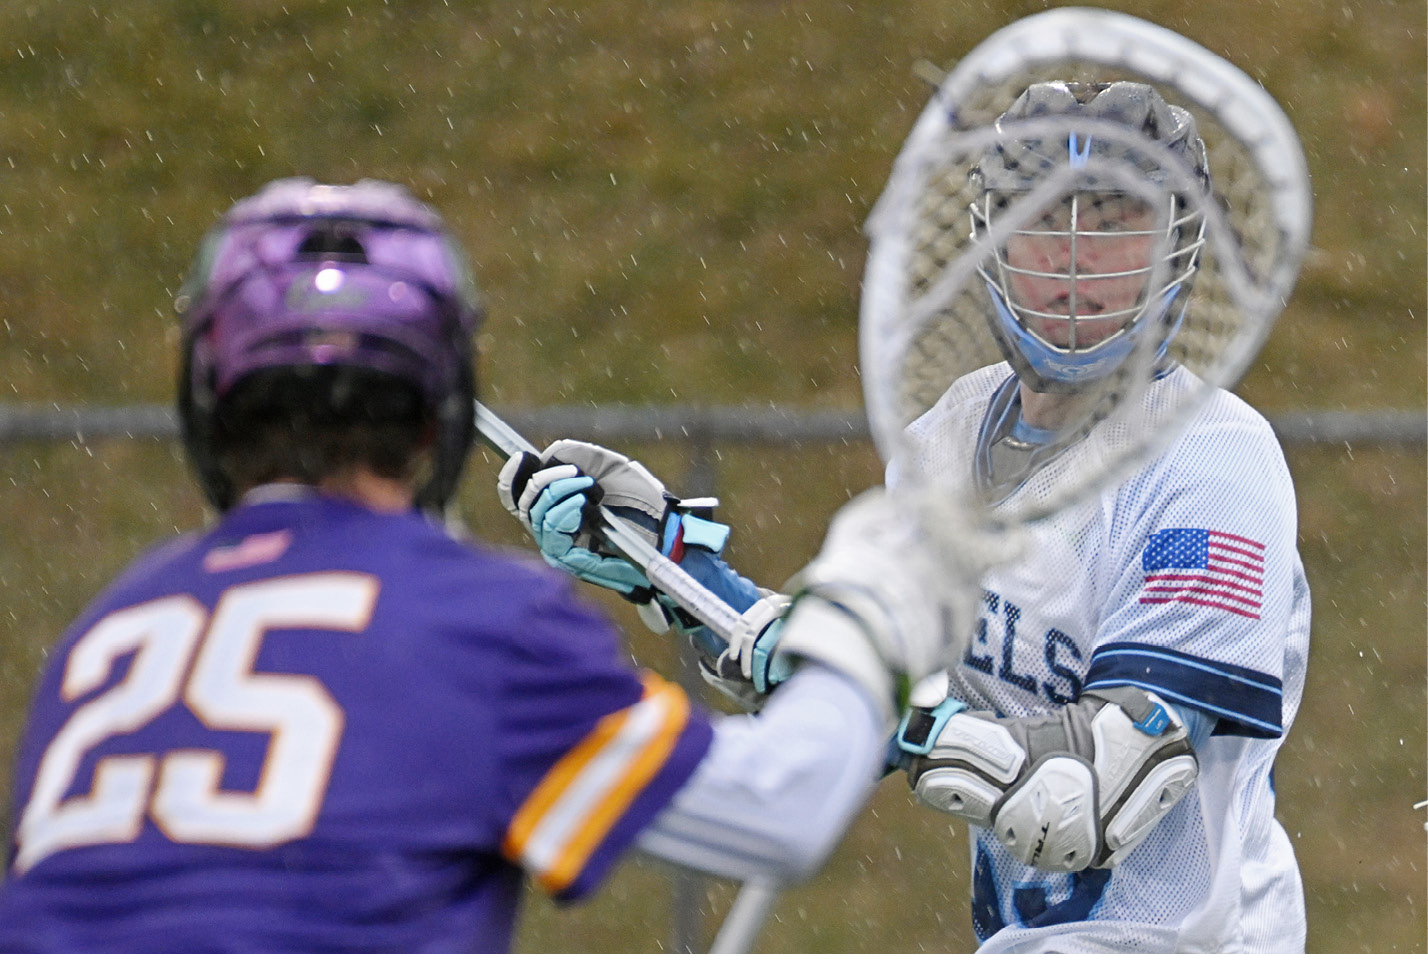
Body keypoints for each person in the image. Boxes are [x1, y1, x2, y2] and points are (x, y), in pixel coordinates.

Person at [0, 178, 980, 953]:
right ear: (440, 413)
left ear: (209, 402)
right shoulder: (473, 624)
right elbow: (778, 809)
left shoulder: (107, 633)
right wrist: (860, 615)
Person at [501, 82, 1310, 952]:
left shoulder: (1212, 459)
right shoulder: (946, 441)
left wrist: (908, 721)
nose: (1077, 261)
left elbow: (1089, 799)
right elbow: (858, 677)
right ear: (992, 240)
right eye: (1044, 221)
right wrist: (668, 562)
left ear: (1173, 253)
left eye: (1116, 225)